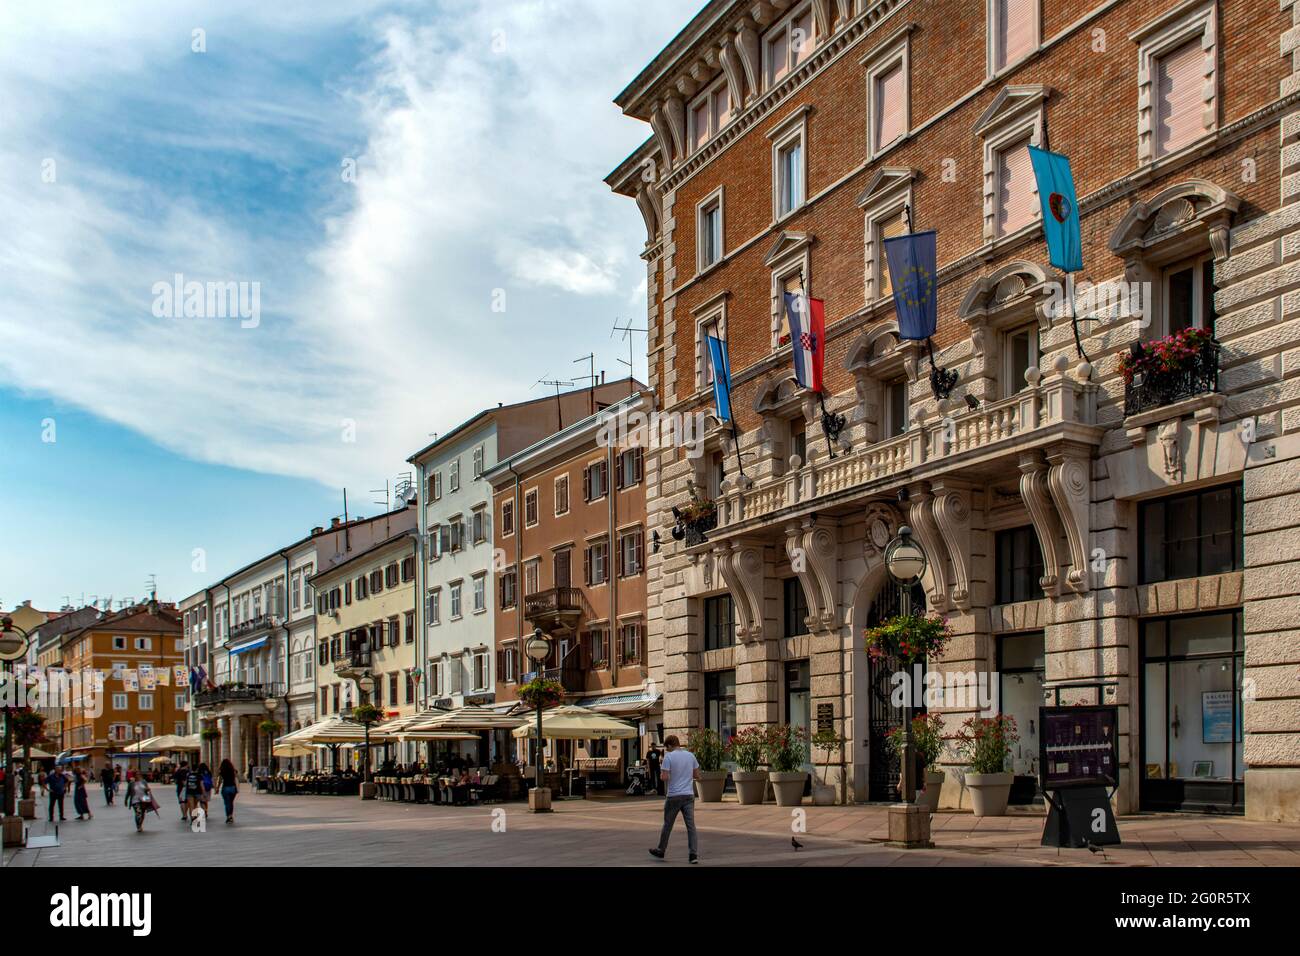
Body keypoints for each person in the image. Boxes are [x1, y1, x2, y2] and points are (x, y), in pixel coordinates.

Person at [647, 735, 700, 864]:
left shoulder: (668, 757)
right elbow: (697, 775)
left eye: (667, 747)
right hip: (688, 795)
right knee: (691, 826)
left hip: (674, 796)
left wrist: (662, 773)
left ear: (670, 745)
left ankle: (661, 850)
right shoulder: (690, 755)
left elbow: (664, 777)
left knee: (668, 824)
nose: (667, 750)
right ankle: (693, 855)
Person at [217, 758, 239, 824]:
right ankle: (230, 816)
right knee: (231, 803)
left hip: (225, 787)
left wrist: (217, 788)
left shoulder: (222, 771)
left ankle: (228, 816)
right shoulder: (233, 770)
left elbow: (220, 780)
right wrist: (237, 788)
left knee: (227, 803)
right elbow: (236, 779)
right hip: (232, 787)